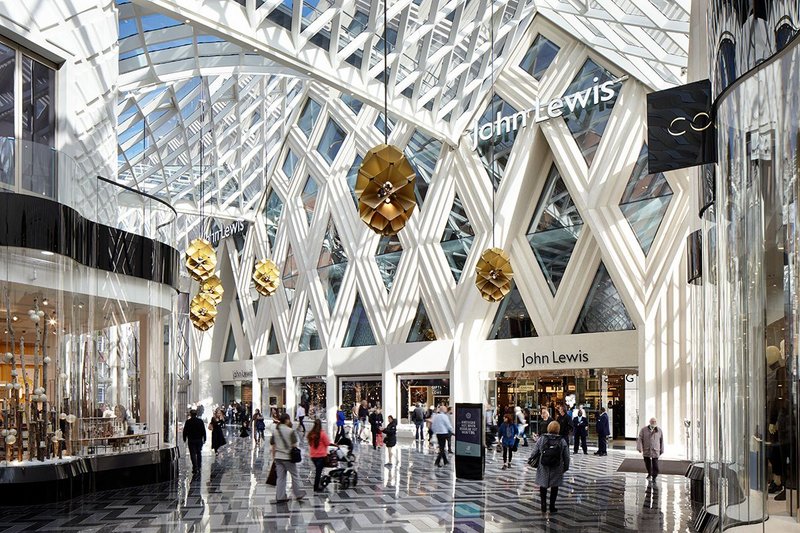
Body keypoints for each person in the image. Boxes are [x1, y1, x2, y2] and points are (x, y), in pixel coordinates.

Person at [530, 421, 570, 515]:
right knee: (554, 486)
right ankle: (552, 506)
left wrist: (531, 459)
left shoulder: (542, 439)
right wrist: (566, 467)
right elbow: (566, 456)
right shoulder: (562, 441)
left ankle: (543, 504)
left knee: (542, 485)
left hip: (543, 465)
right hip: (557, 466)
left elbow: (535, 451)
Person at [270, 413, 306, 503]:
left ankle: (280, 497)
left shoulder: (275, 431)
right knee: (295, 475)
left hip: (278, 457)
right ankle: (297, 494)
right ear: (286, 420)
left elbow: (273, 445)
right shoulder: (290, 431)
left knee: (280, 478)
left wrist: (274, 457)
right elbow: (294, 445)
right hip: (288, 457)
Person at [307, 419, 331, 492]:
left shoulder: (311, 433)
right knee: (318, 472)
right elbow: (327, 443)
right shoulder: (322, 434)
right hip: (321, 456)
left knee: (318, 471)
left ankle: (317, 485)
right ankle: (316, 487)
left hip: (313, 456)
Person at [637, 417, 664, 482]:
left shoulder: (659, 430)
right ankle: (649, 473)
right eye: (652, 421)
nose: (653, 423)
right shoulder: (644, 430)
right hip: (647, 449)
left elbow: (661, 440)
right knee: (647, 463)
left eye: (654, 421)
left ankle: (654, 475)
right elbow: (640, 439)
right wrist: (640, 447)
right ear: (650, 422)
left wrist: (662, 449)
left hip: (655, 449)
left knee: (655, 464)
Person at [183, 409, 206, 473]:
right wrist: (204, 438)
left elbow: (185, 431)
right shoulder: (200, 421)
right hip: (199, 440)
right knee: (199, 453)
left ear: (190, 414)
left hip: (191, 440)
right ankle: (199, 466)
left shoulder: (188, 422)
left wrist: (184, 438)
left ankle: (195, 467)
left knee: (192, 454)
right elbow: (203, 430)